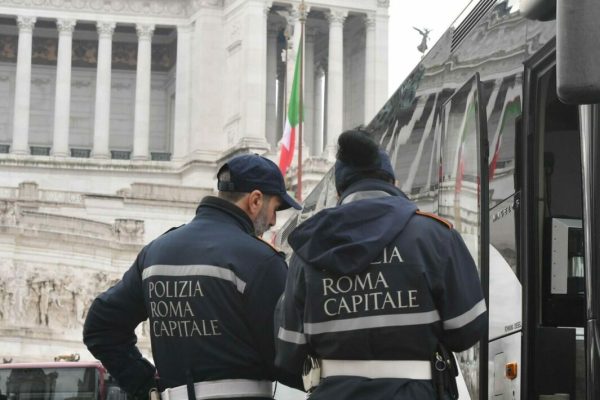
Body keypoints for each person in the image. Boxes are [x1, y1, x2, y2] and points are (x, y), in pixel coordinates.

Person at [275, 129, 487, 400]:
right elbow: (467, 330)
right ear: (393, 181)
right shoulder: (434, 236)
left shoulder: (307, 249)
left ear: (340, 189)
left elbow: (288, 351)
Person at [84, 154, 304, 400]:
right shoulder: (260, 260)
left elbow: (101, 327)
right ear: (255, 200)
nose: (274, 220)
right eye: (275, 208)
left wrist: (145, 385)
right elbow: (288, 352)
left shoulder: (156, 252)